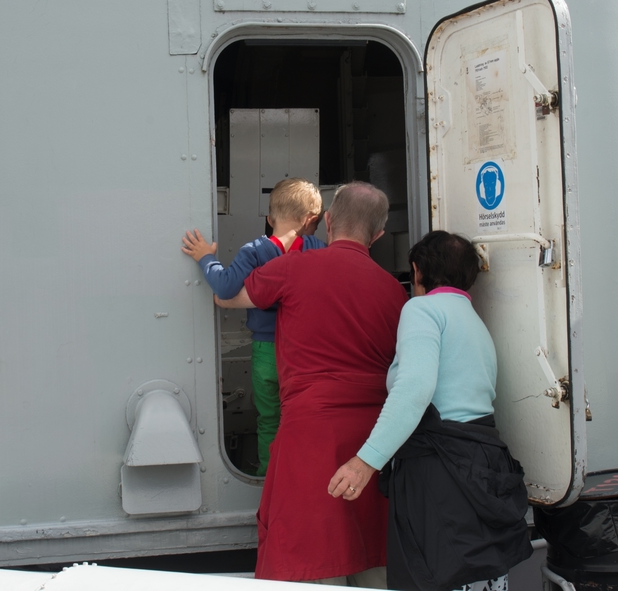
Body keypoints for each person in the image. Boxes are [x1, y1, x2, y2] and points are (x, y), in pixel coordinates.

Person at [217, 181, 407, 585]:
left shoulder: (291, 268)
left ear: (328, 222)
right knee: (372, 556)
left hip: (310, 437)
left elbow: (228, 297)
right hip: (376, 445)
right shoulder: (395, 293)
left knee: (307, 562)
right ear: (377, 235)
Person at [328, 232, 532, 591]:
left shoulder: (422, 309)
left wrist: (365, 462)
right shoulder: (474, 321)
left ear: (418, 271)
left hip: (441, 470)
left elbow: (414, 389)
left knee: (436, 576)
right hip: (483, 461)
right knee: (478, 576)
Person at [182, 177, 324, 475]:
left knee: (270, 419)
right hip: (306, 353)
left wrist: (205, 257)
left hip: (266, 352)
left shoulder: (255, 251)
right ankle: (304, 472)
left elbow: (225, 287)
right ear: (311, 221)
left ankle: (268, 475)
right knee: (302, 417)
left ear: (269, 218)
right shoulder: (317, 249)